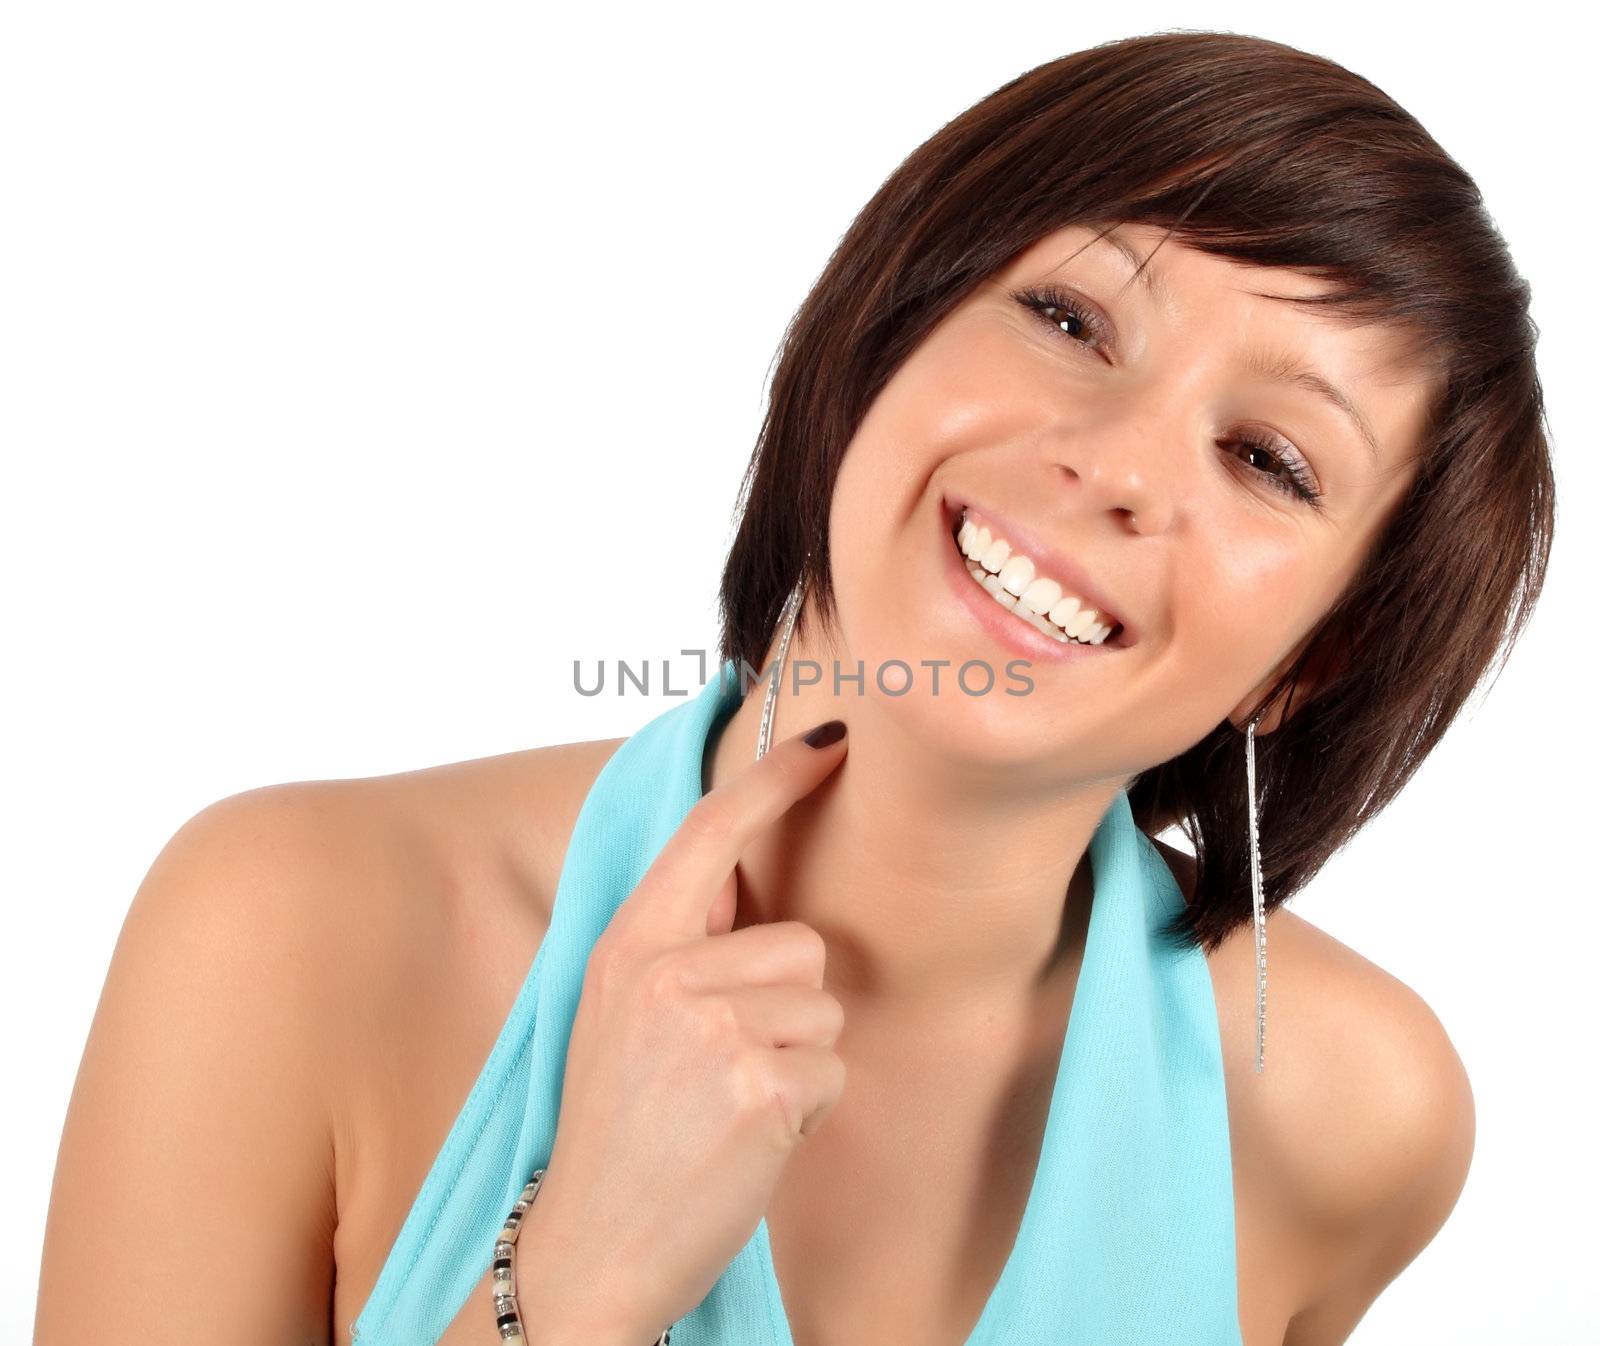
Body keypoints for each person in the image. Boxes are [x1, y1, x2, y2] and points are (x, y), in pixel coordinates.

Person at [34, 29, 1553, 1346]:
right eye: (1073, 318)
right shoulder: (290, 931)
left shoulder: (1348, 1115)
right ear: (889, 317)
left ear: (1316, 660)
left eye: (1267, 460)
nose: (1119, 466)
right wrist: (572, 1276)